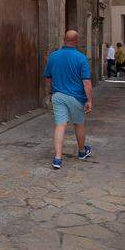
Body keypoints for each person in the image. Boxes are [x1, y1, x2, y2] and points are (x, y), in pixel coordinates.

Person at [44, 30, 93, 169]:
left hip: (58, 95)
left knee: (60, 125)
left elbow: (48, 77)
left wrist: (50, 92)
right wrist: (89, 100)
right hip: (76, 97)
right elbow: (86, 82)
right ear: (76, 41)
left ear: (63, 39)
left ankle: (58, 158)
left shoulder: (53, 56)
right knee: (79, 124)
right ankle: (82, 151)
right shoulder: (81, 58)